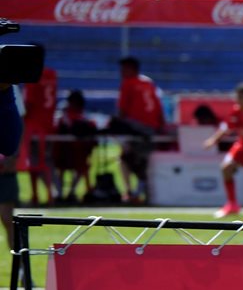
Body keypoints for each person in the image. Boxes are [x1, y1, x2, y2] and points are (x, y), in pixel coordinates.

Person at [110, 56, 165, 204]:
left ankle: (130, 193)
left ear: (132, 69)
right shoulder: (149, 83)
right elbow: (159, 108)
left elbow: (121, 111)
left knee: (126, 159)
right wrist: (160, 126)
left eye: (124, 69)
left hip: (136, 129)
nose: (121, 72)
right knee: (141, 162)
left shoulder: (128, 83)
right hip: (151, 129)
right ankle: (139, 192)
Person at [206, 82, 243, 218]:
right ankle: (232, 204)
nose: (238, 100)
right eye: (237, 97)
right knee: (226, 168)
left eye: (241, 97)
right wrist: (214, 140)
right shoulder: (236, 111)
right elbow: (227, 127)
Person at [21, 56, 57, 205]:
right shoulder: (51, 74)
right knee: (47, 161)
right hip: (48, 124)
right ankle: (50, 193)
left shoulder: (32, 76)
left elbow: (28, 104)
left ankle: (40, 194)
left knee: (35, 163)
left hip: (34, 127)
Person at [53, 89, 98, 204]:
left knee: (82, 166)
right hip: (64, 156)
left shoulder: (79, 117)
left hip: (76, 157)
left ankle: (67, 192)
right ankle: (61, 192)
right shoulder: (65, 116)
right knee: (77, 165)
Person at [0, 83, 20, 252]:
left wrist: (13, 156)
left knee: (8, 218)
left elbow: (19, 121)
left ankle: (21, 269)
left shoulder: (9, 85)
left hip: (3, 164)